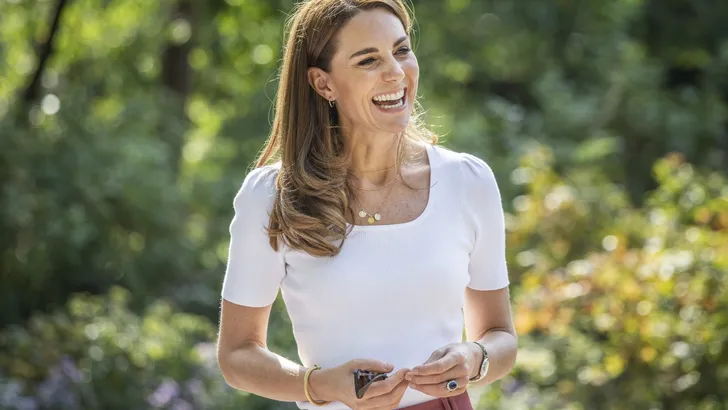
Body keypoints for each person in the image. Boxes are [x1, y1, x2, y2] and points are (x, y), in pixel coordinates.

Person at [216, 0, 517, 409]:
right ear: (323, 84)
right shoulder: (271, 195)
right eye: (368, 60)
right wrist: (318, 386)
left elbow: (501, 336)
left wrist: (475, 357)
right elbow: (236, 356)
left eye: (402, 50)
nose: (396, 72)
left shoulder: (468, 181)